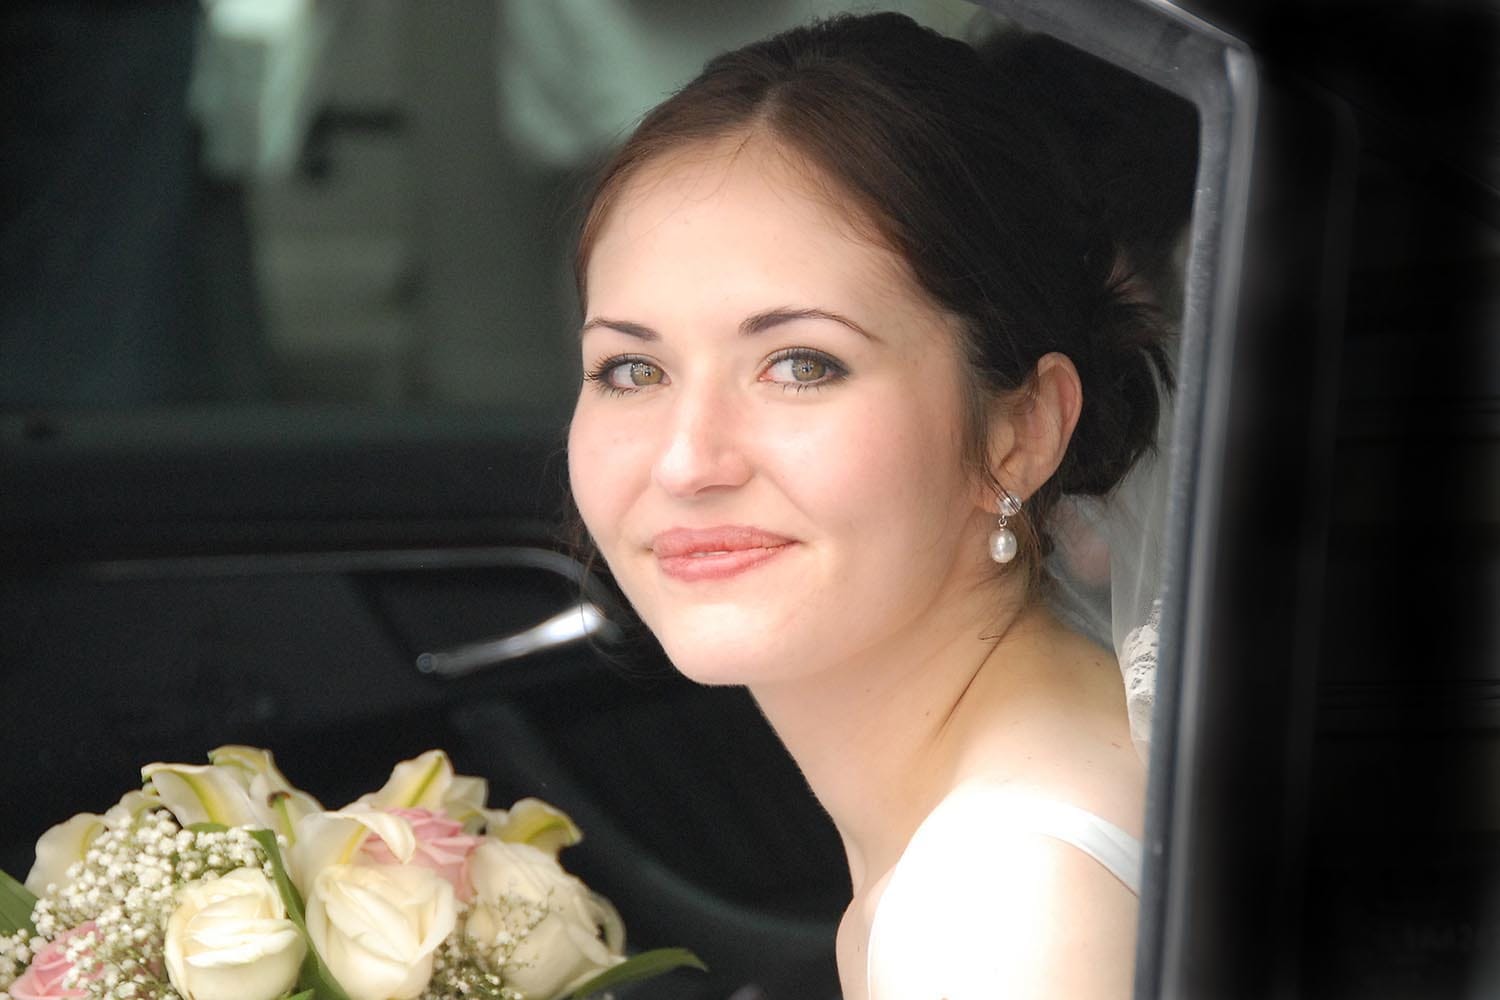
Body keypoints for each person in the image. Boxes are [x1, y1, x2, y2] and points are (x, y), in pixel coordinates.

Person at [565, 12, 1180, 998]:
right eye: (632, 370)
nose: (686, 462)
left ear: (1020, 429)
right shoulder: (1010, 821)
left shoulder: (1000, 908)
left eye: (801, 365)